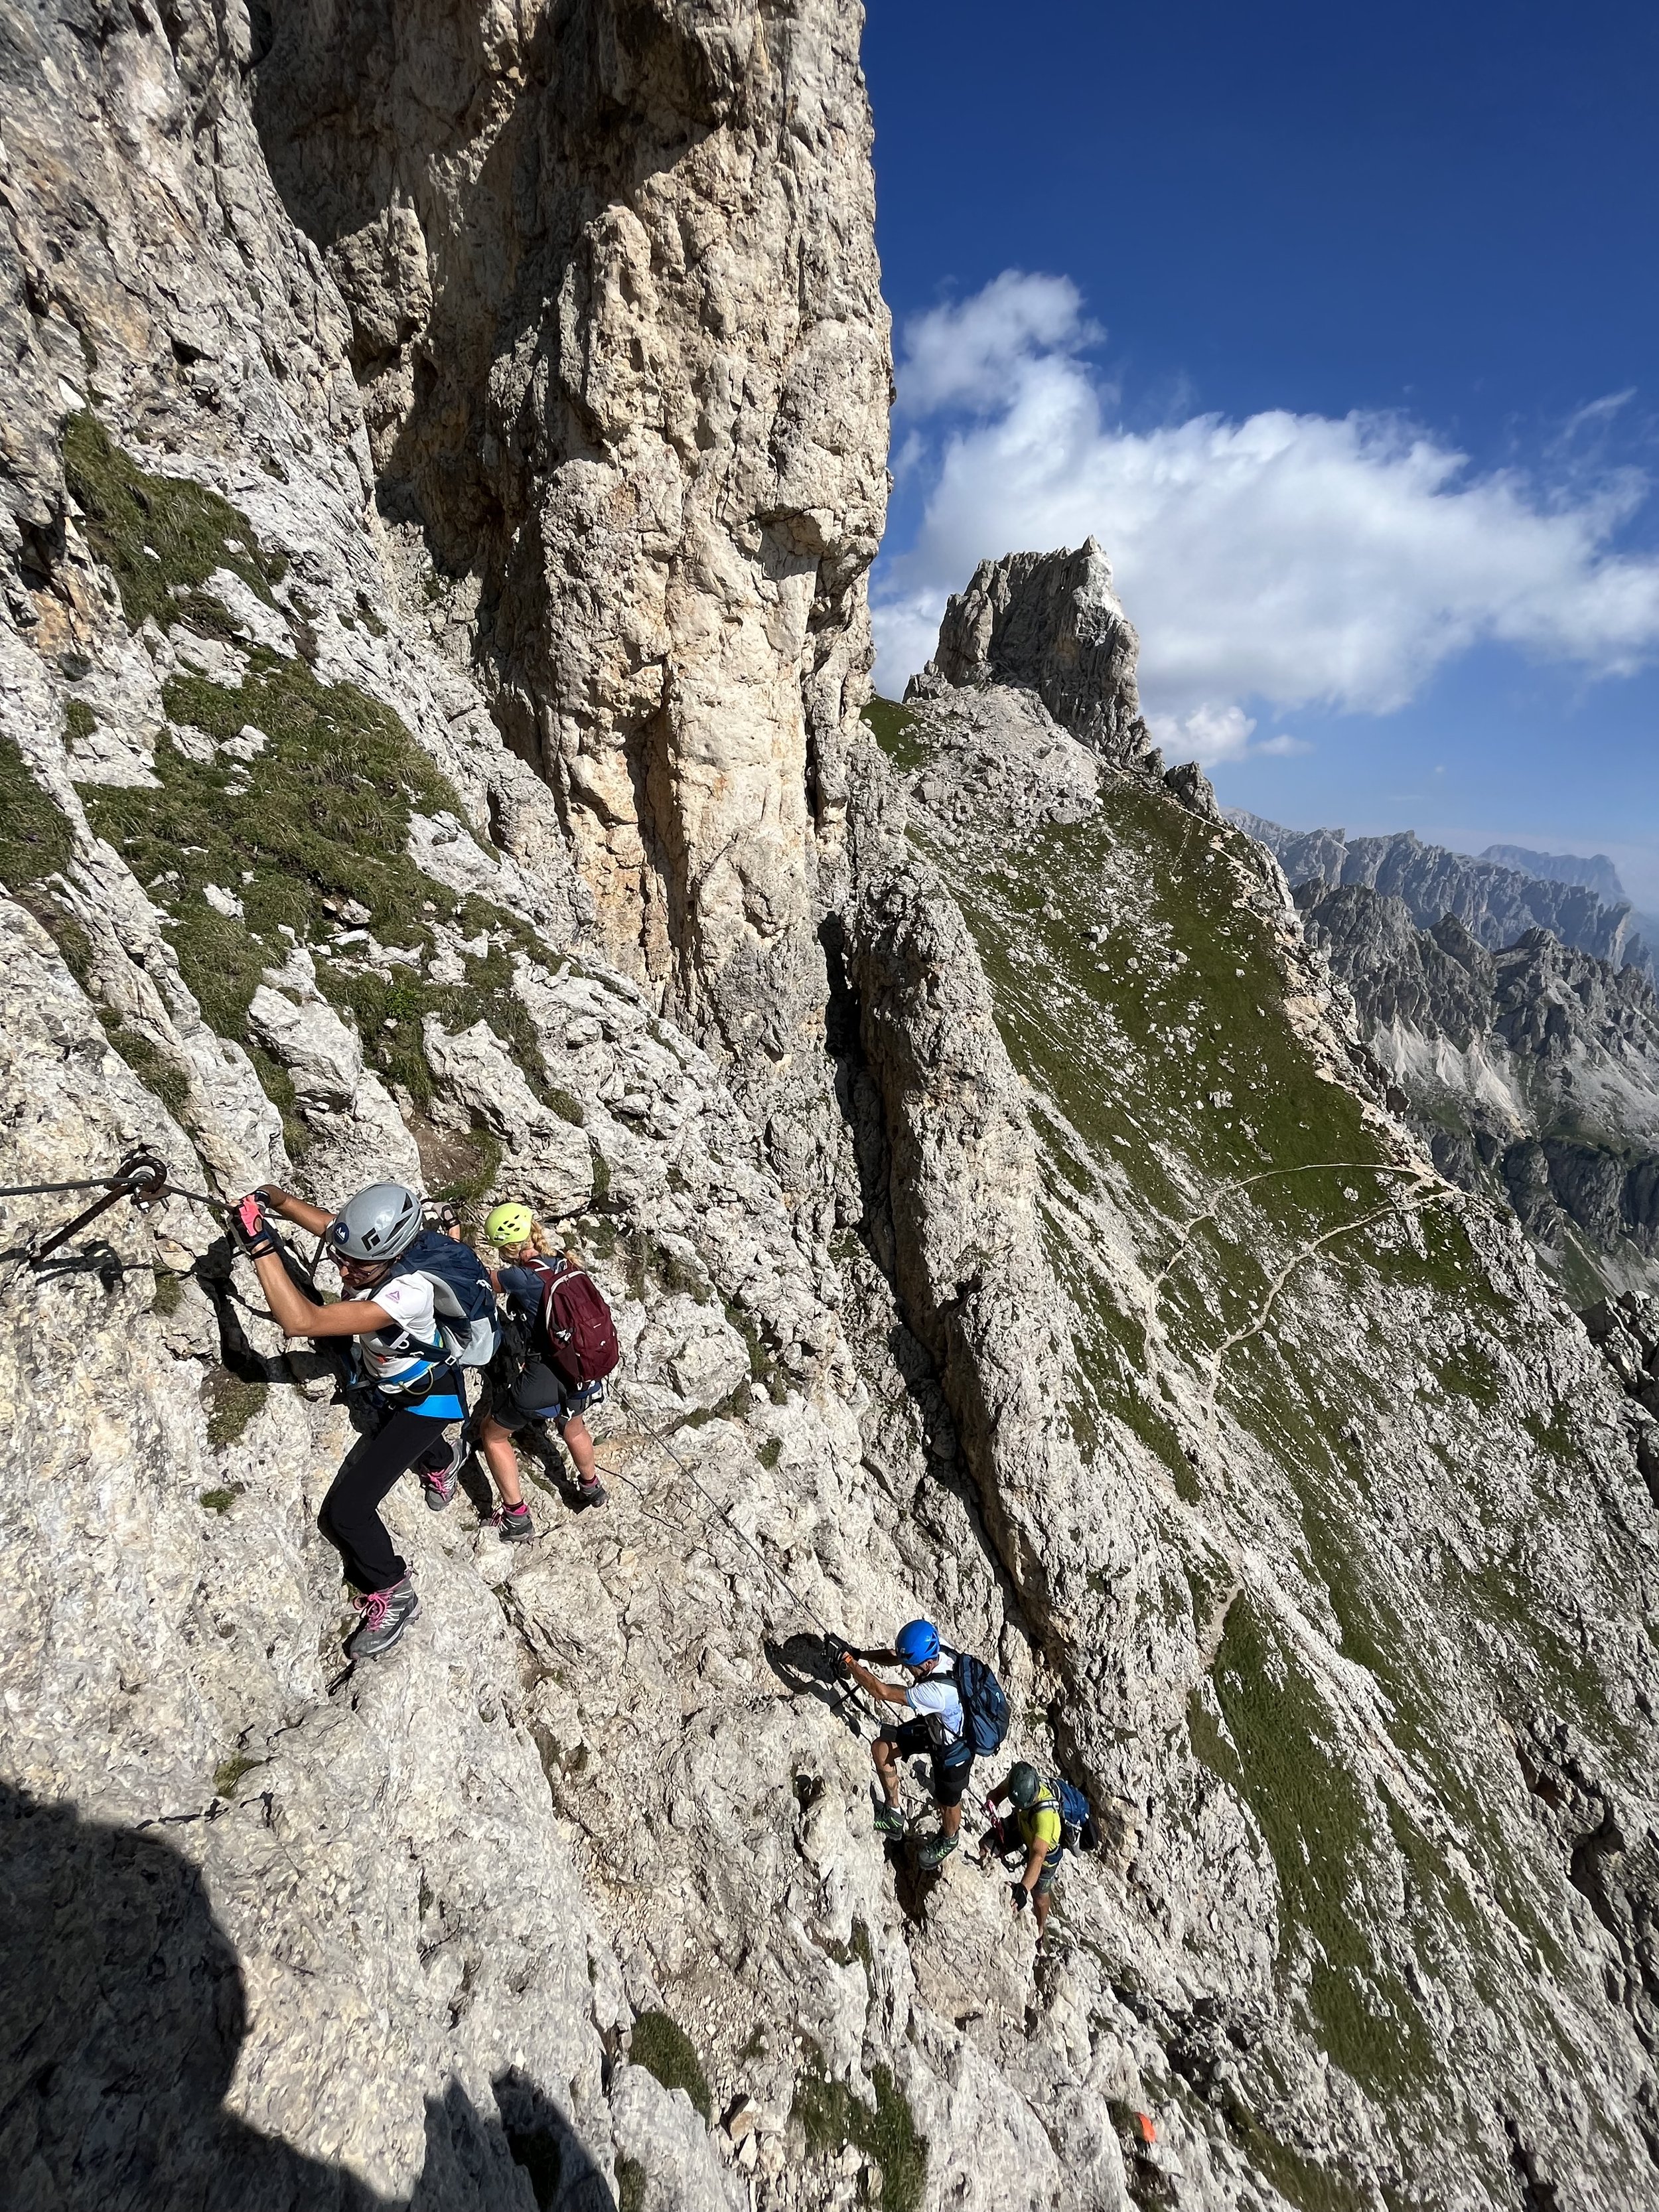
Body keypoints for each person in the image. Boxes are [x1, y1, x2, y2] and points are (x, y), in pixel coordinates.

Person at [231, 1183, 465, 1659]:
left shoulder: (407, 1293)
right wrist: (278, 1201)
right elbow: (329, 1229)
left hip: (427, 1400)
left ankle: (395, 1590)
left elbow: (302, 1322)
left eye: (358, 1265)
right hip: (397, 1380)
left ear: (391, 1257)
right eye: (345, 1257)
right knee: (397, 1431)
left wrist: (259, 1247)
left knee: (348, 1512)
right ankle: (443, 1460)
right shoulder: (383, 1253)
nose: (344, 1268)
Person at [477, 1203, 608, 1536]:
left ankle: (516, 1516)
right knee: (574, 1427)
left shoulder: (518, 1276)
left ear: (506, 1247)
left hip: (543, 1375)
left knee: (493, 1436)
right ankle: (591, 1486)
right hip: (581, 1371)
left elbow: (479, 1281)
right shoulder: (566, 1262)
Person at [839, 1619, 974, 1869]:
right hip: (934, 1728)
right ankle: (893, 1814)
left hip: (955, 1748)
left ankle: (950, 1838)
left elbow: (883, 1692)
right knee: (882, 1749)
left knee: (948, 1802)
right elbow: (896, 1656)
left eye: (910, 1666)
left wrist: (850, 1663)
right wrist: (860, 1655)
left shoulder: (936, 1692)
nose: (907, 1669)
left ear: (925, 1664)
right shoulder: (936, 1648)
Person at [978, 1761, 1065, 1939]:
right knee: (985, 1847)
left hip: (1046, 1856)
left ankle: (1041, 1928)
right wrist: (991, 1805)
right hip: (1021, 1825)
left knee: (1039, 1896)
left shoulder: (1045, 1818)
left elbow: (1038, 1856)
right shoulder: (1017, 1779)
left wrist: (1023, 1889)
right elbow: (996, 1795)